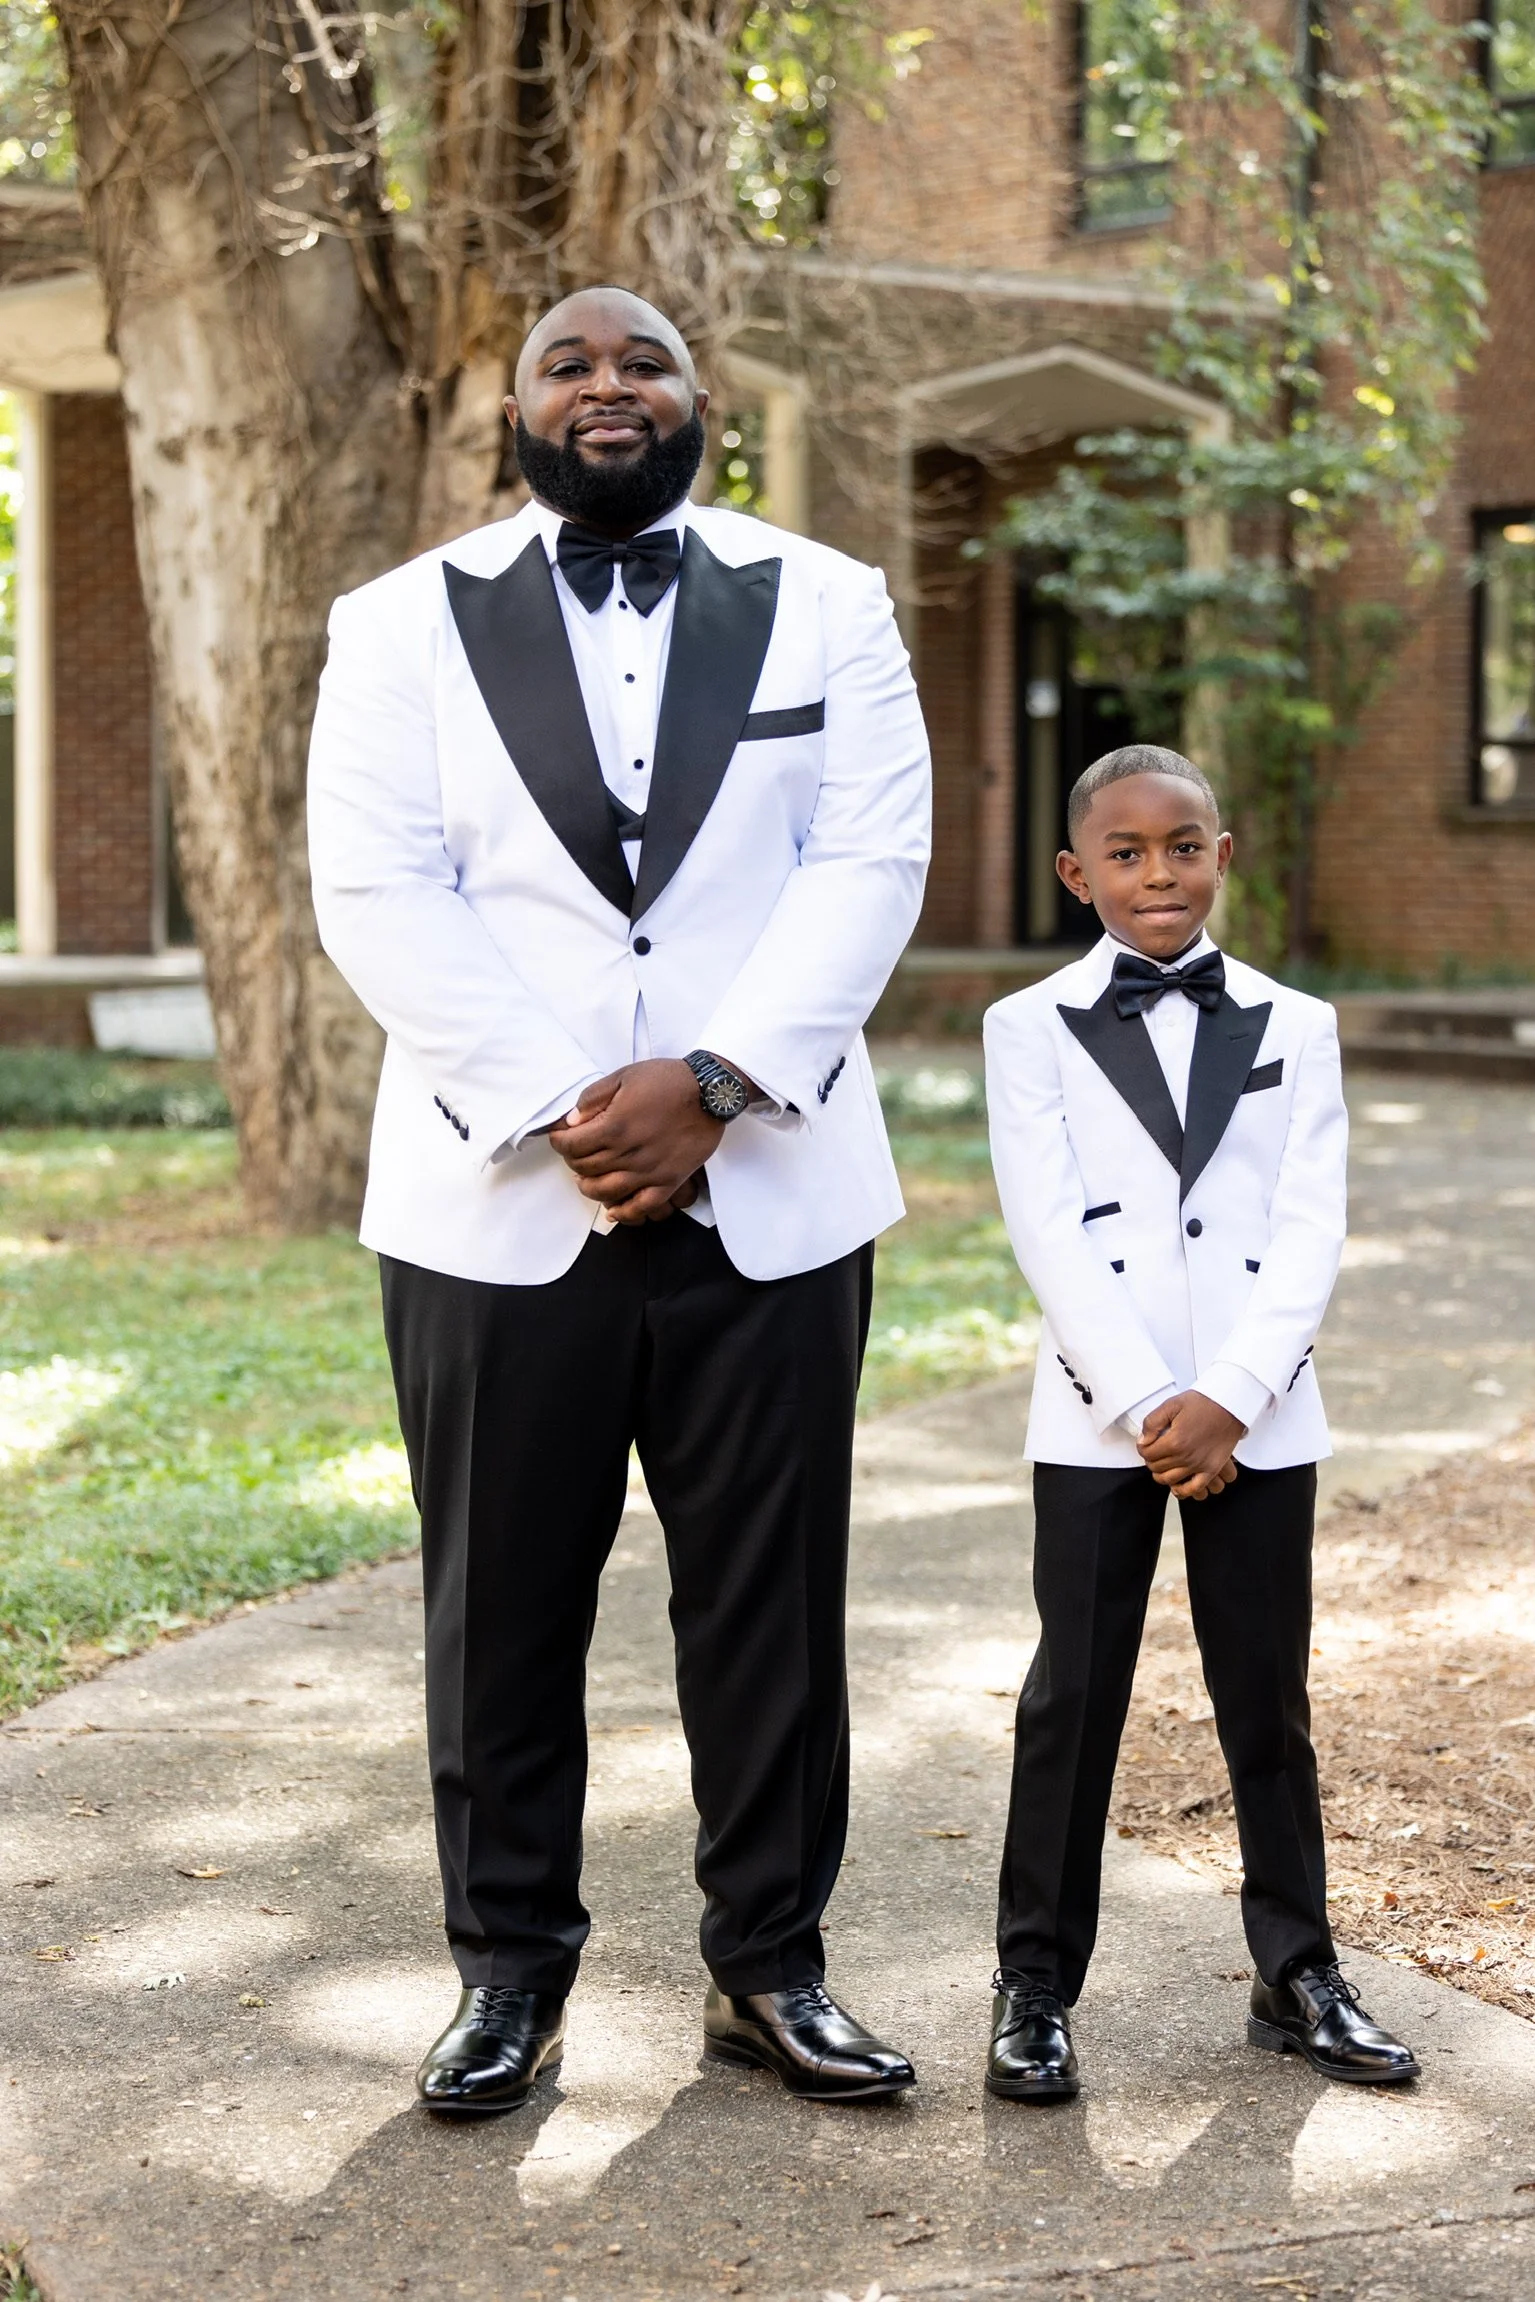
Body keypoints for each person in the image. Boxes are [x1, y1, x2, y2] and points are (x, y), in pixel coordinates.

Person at [306, 286, 930, 2115]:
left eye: (641, 360)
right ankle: (508, 1976)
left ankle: (770, 1970)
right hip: (499, 1200)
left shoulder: (831, 599)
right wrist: (569, 1111)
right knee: (498, 1605)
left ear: (699, 399)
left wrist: (715, 1085)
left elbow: (870, 856)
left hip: (774, 1192)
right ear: (510, 408)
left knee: (770, 1601)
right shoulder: (393, 623)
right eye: (568, 363)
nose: (607, 385)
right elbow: (376, 882)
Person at [980, 744, 1418, 2103]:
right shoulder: (1027, 1026)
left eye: (1180, 845)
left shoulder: (1296, 1023)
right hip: (1098, 1414)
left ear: (1220, 855)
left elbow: (1308, 1224)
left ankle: (1298, 1970)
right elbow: (1044, 1227)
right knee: (1071, 1701)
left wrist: (1231, 1393)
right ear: (1076, 871)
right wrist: (1144, 1403)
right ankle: (1032, 1986)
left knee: (1262, 1699)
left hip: (1256, 1413)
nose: (1154, 870)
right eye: (1124, 851)